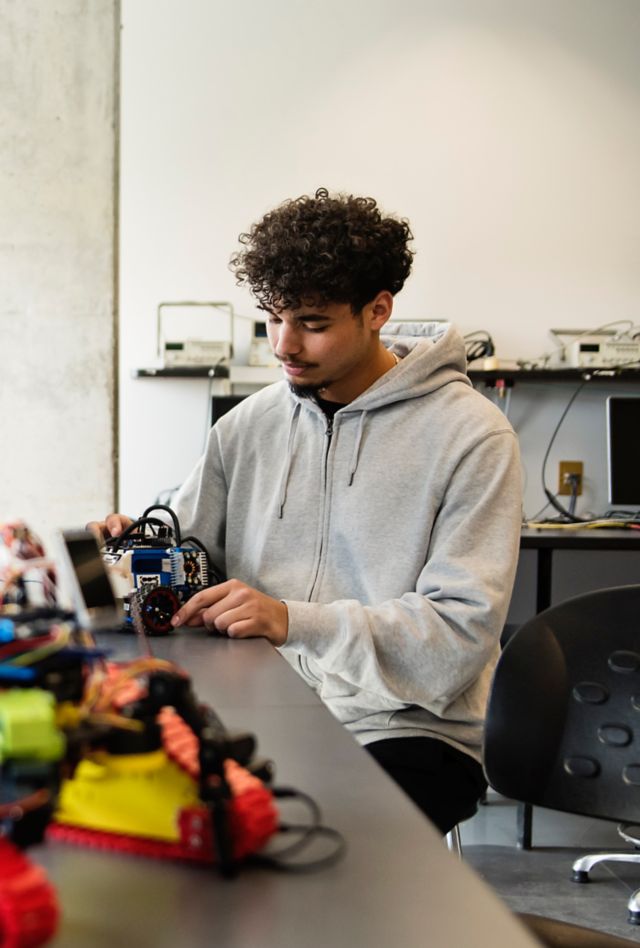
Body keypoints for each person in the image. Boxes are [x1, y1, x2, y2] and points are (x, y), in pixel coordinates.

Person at [91, 187, 522, 834]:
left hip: (403, 726)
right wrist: (131, 553)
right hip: (252, 704)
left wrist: (294, 621)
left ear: (378, 310)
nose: (284, 345)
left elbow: (456, 639)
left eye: (313, 324)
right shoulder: (248, 427)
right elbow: (192, 570)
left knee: (309, 845)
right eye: (272, 318)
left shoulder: (472, 436)